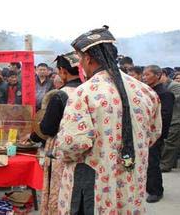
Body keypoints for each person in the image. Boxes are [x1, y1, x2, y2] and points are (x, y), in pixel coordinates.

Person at [54, 26, 162, 214]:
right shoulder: (146, 91)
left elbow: (72, 144)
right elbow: (153, 135)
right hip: (132, 181)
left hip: (94, 184)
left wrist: (57, 151)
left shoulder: (84, 93)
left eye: (80, 59)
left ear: (87, 59)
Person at [38, 52, 83, 214]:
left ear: (63, 71)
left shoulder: (60, 95)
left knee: (60, 185)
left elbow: (48, 128)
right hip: (86, 150)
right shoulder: (91, 91)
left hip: (62, 149)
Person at [142, 65, 174, 202]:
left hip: (155, 133)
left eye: (148, 74)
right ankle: (149, 187)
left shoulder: (164, 93)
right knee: (146, 161)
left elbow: (165, 116)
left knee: (153, 162)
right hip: (144, 131)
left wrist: (158, 134)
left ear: (158, 75)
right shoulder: (146, 91)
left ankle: (156, 191)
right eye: (144, 74)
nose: (144, 77)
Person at [160, 68, 180, 172]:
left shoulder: (175, 86)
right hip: (172, 118)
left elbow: (172, 99)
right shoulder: (166, 86)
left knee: (170, 143)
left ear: (163, 75)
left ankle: (165, 165)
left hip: (176, 119)